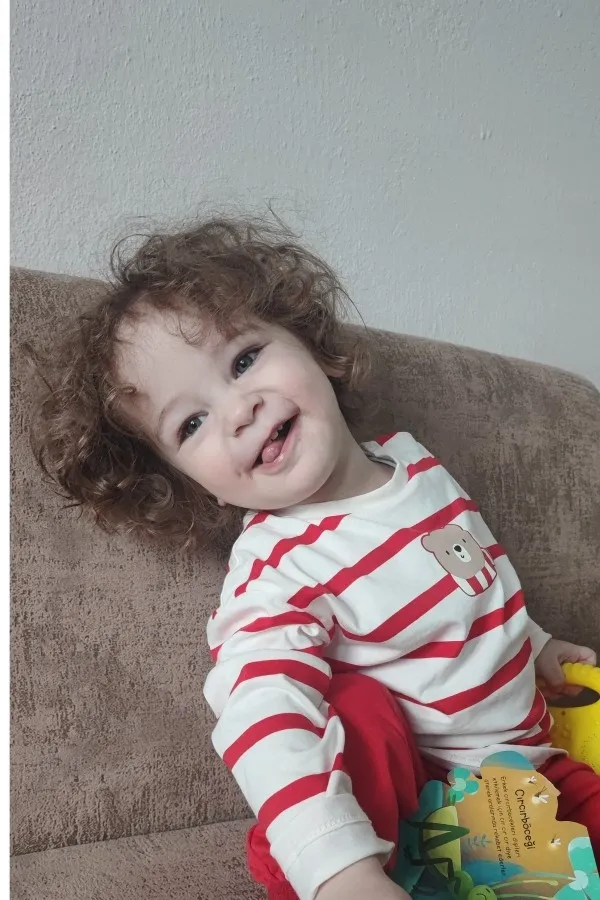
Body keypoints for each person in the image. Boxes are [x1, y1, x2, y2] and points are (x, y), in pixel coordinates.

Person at [29, 216, 599, 900]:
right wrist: (340, 871)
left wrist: (538, 645)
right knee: (352, 707)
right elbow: (262, 707)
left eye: (244, 360)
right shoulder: (276, 566)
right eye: (192, 422)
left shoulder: (415, 464)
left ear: (311, 343)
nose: (239, 410)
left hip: (534, 773)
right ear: (193, 483)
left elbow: (472, 591)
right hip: (435, 803)